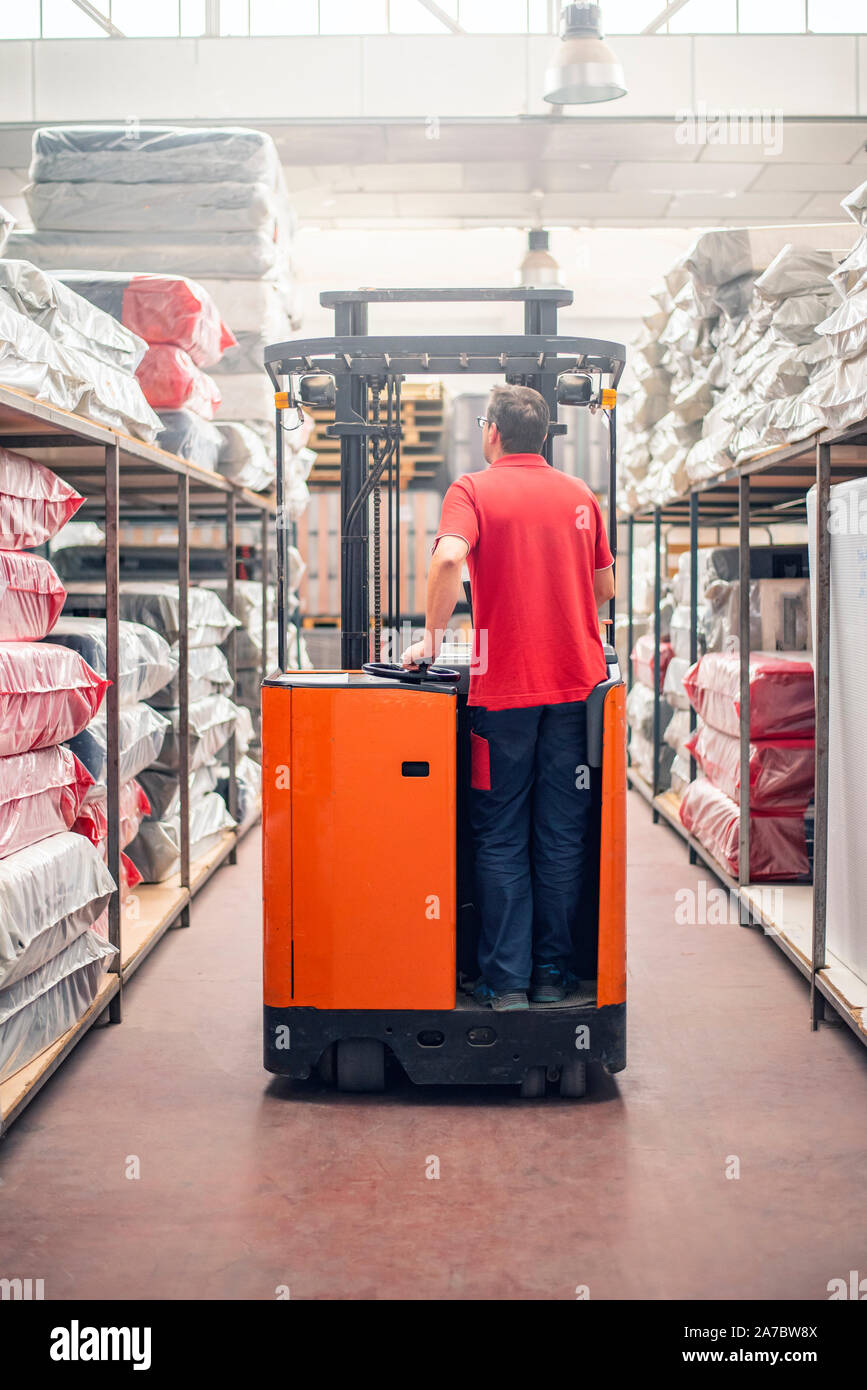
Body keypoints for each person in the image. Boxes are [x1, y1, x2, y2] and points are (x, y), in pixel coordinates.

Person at [402, 383, 615, 1012]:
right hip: (577, 689)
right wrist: (561, 602)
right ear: (543, 435)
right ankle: (553, 975)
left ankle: (507, 983)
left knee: (500, 835)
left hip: (504, 695)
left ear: (491, 432)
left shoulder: (472, 489)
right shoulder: (581, 495)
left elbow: (448, 561)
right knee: (562, 833)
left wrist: (431, 639)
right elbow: (604, 587)